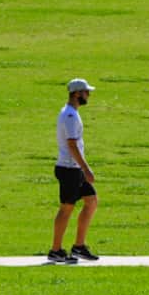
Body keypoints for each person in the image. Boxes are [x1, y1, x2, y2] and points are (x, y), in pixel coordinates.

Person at [50, 78, 99, 263]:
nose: (89, 95)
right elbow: (71, 144)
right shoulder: (70, 115)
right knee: (66, 208)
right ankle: (56, 250)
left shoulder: (71, 113)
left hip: (75, 168)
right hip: (69, 168)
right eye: (86, 92)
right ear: (77, 93)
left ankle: (79, 246)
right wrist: (86, 168)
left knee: (91, 201)